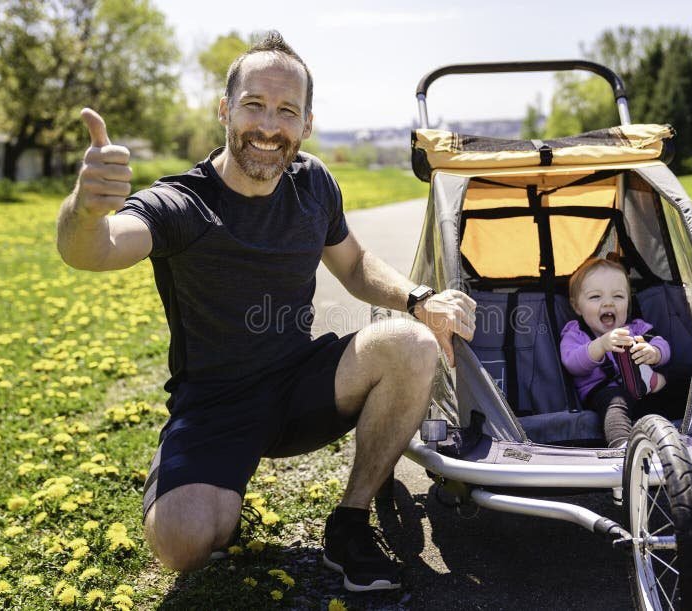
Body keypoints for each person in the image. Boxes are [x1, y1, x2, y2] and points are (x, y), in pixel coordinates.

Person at [56, 31, 476, 592]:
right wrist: (85, 210)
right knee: (183, 544)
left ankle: (349, 523)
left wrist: (419, 299)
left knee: (412, 343)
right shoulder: (182, 201)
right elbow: (95, 250)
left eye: (286, 111)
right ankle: (210, 495)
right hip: (214, 407)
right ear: (226, 110)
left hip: (300, 387)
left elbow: (353, 265)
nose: (269, 126)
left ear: (305, 124)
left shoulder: (313, 183)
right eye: (254, 104)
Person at [560, 257, 669, 448]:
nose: (608, 303)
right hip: (603, 391)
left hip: (644, 388)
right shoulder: (575, 332)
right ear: (577, 306)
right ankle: (622, 446)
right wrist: (600, 345)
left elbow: (662, 344)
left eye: (618, 297)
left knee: (680, 378)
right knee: (615, 404)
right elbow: (572, 363)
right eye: (595, 297)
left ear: (628, 302)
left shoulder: (636, 327)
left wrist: (655, 352)